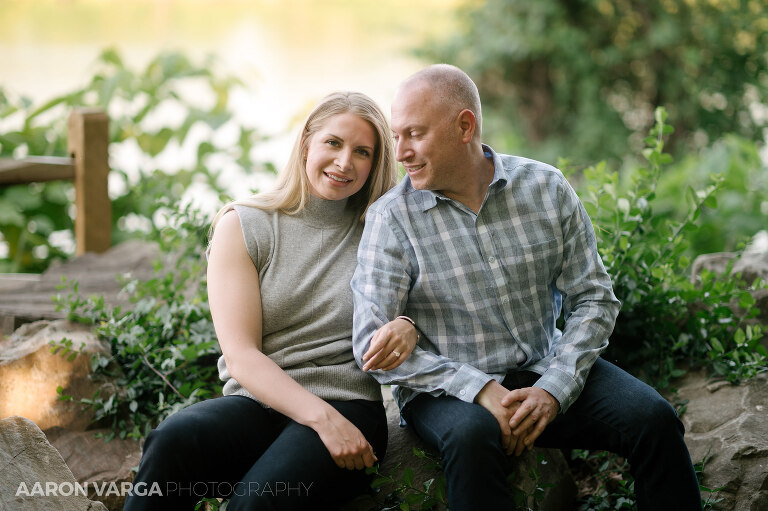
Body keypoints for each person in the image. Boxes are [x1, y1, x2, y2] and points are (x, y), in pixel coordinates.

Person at [351, 65, 702, 510]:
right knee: (474, 437)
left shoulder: (545, 188)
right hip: (444, 391)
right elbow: (370, 343)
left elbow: (594, 297)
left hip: (541, 366)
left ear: (464, 126)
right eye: (396, 136)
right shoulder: (391, 219)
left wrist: (554, 388)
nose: (400, 152)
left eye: (414, 134)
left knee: (653, 419)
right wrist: (479, 390)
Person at [124, 91, 415, 511]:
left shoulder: (384, 230)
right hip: (258, 403)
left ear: (375, 164)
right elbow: (241, 355)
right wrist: (321, 419)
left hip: (350, 404)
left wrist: (408, 324)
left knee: (254, 505)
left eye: (362, 152)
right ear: (306, 144)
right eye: (333, 143)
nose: (344, 162)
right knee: (173, 440)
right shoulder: (245, 224)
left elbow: (430, 308)